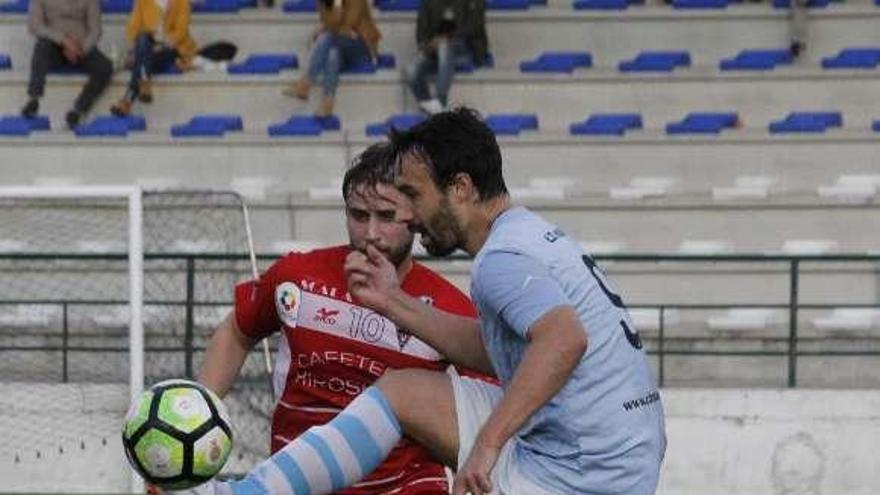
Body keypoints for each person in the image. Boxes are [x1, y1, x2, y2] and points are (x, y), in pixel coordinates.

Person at [172, 107, 665, 495]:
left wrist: (486, 445)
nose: (411, 215)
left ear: (461, 188)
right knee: (402, 392)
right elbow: (500, 349)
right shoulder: (528, 233)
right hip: (614, 444)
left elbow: (564, 339)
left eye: (414, 194)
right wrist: (394, 302)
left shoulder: (500, 260)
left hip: (581, 473)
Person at [194, 143, 480, 494]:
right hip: (296, 482)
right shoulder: (298, 275)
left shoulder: (450, 308)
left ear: (417, 217)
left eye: (387, 216)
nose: (371, 233)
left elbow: (485, 405)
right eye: (358, 215)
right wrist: (195, 416)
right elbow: (237, 332)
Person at [21, 0, 113, 129]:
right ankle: (34, 99)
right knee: (41, 47)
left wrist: (80, 49)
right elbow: (35, 26)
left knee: (105, 67)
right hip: (54, 46)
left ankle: (78, 110)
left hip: (82, 47)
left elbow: (96, 30)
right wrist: (63, 40)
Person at [282, 0, 381, 117]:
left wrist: (336, 11)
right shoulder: (323, 2)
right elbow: (330, 22)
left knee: (328, 38)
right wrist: (336, 7)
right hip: (339, 44)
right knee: (332, 53)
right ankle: (328, 101)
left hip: (362, 47)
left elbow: (349, 22)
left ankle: (306, 83)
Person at [110, 0, 197, 117]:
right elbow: (132, 29)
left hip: (172, 48)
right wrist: (145, 46)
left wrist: (161, 45)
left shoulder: (181, 2)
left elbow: (181, 31)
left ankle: (127, 100)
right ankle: (144, 83)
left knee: (141, 58)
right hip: (148, 47)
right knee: (143, 38)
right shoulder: (142, 2)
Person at [404, 0, 488, 114]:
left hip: (465, 50)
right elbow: (421, 28)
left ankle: (440, 100)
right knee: (411, 69)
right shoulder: (429, 2)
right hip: (435, 50)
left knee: (444, 47)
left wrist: (446, 38)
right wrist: (426, 45)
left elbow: (474, 25)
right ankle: (428, 104)